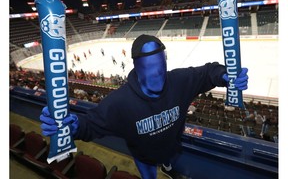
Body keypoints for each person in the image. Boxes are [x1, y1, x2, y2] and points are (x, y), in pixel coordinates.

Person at [40, 34, 248, 179]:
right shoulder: (120, 102)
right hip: (144, 157)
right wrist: (69, 125)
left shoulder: (179, 81)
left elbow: (207, 72)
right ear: (137, 70)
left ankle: (167, 166)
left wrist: (225, 76)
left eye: (159, 70)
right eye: (149, 71)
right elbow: (90, 125)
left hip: (172, 147)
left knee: (169, 161)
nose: (156, 77)